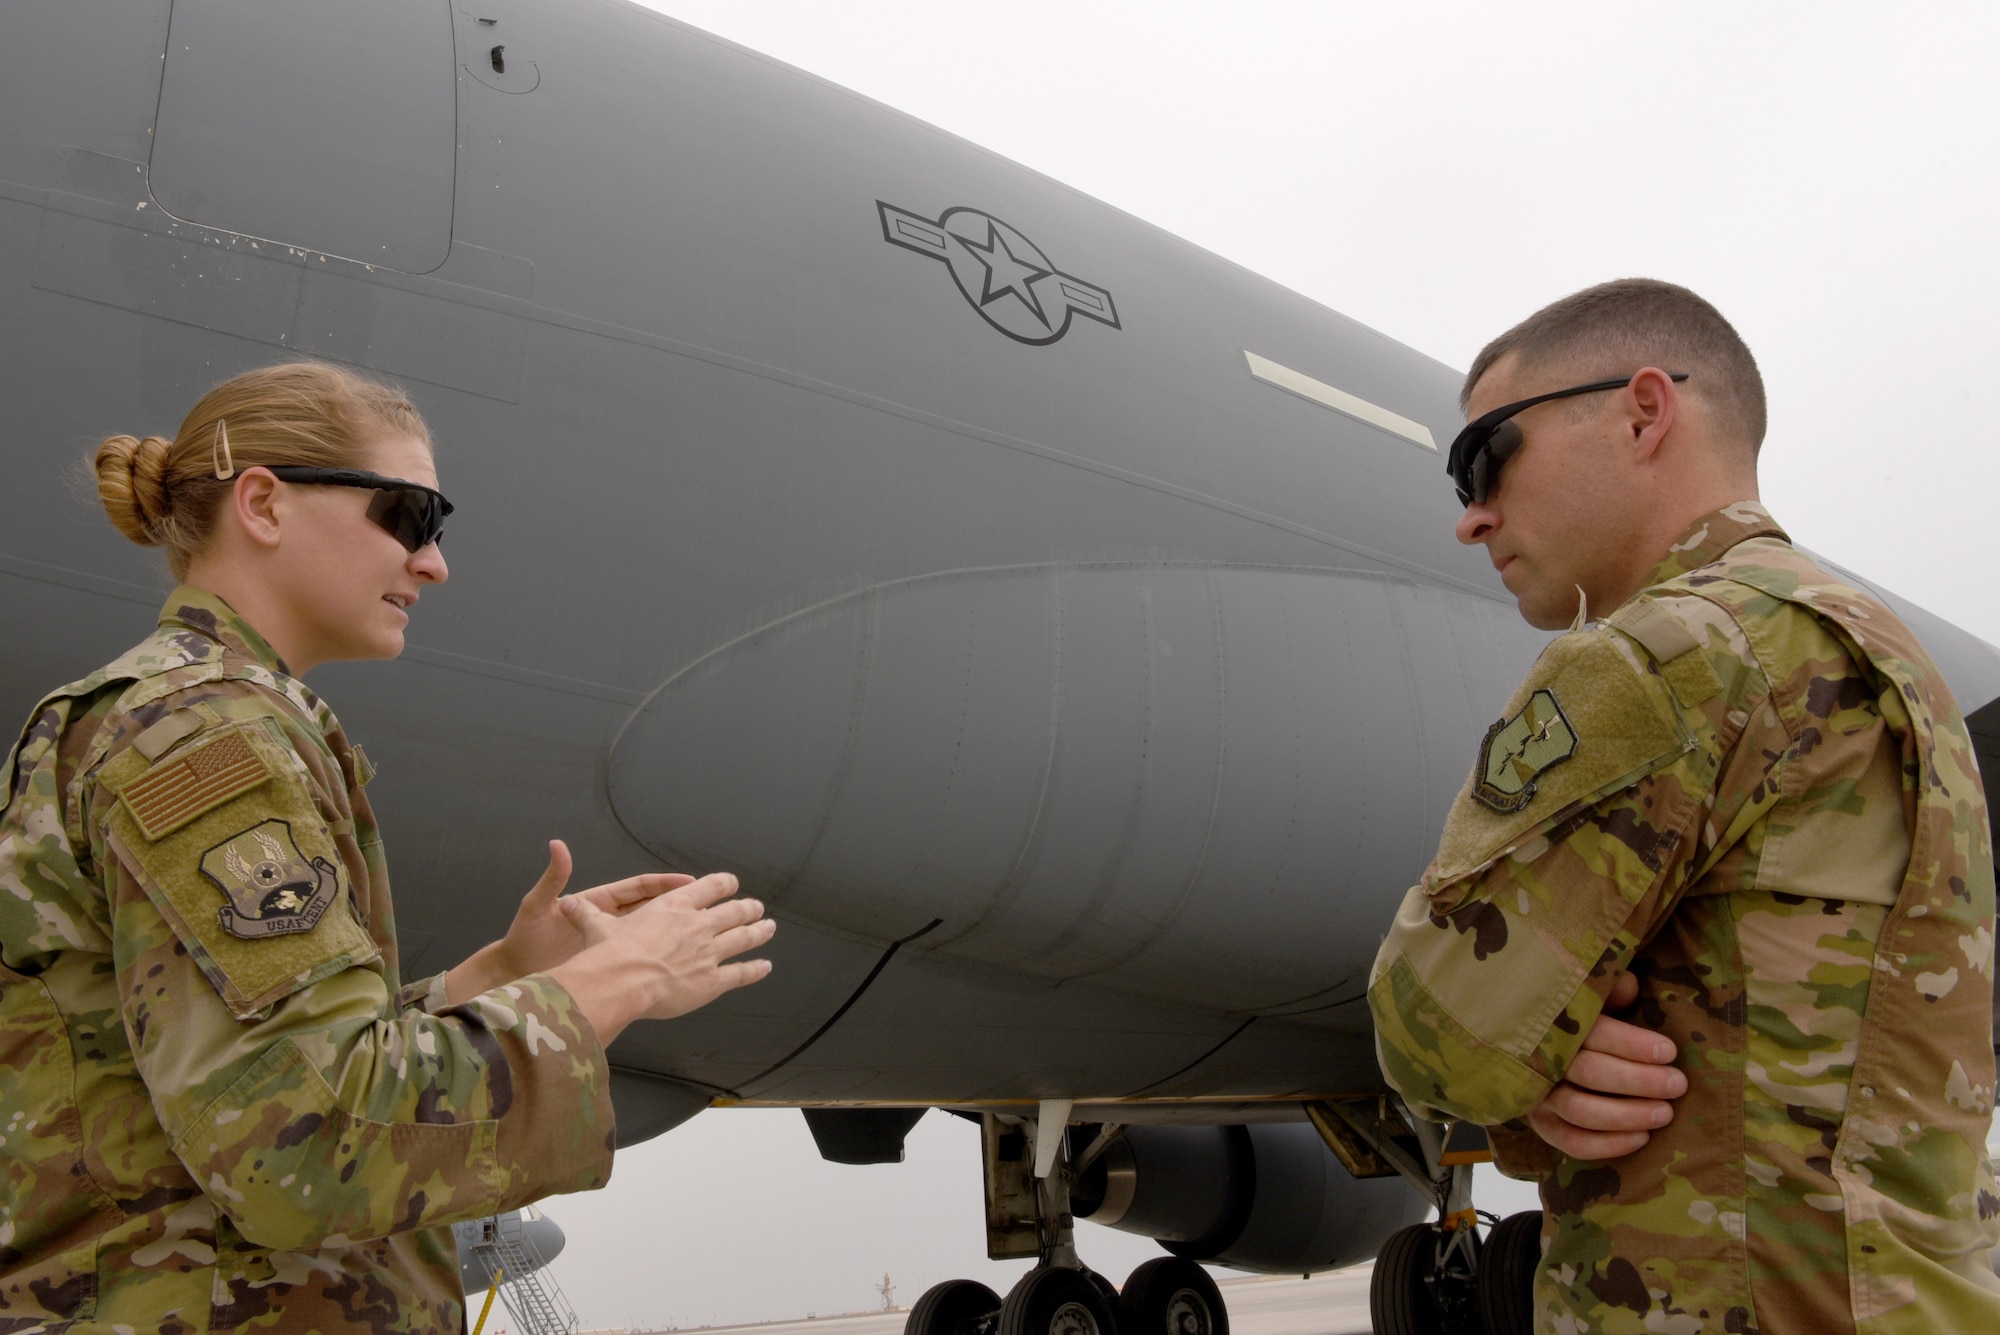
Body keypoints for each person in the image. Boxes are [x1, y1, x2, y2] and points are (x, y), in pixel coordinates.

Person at [0, 362, 777, 1331]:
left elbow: (233, 1072)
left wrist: (497, 976)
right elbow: (304, 1145)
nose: (432, 563)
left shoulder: (192, 715)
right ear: (264, 503)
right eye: (409, 515)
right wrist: (615, 984)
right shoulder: (208, 735)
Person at [1367, 280, 1999, 1333]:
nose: (1472, 518)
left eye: (1484, 457)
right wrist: (1536, 1083)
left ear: (1641, 410)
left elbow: (1440, 1026)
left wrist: (1514, 1071)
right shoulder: (1894, 664)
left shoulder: (1664, 656)